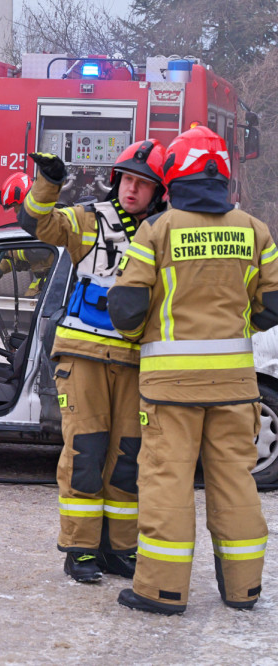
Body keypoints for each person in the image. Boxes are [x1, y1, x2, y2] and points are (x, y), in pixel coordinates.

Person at [108, 126, 278, 615]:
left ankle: (160, 590)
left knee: (167, 484)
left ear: (173, 177)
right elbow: (273, 304)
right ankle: (244, 588)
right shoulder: (253, 229)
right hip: (236, 387)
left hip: (169, 390)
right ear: (222, 174)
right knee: (235, 482)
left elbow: (126, 308)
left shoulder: (156, 231)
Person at [20, 140, 167, 583]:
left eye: (144, 184)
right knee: (86, 452)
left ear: (158, 193)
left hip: (135, 361)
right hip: (82, 355)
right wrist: (49, 183)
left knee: (127, 459)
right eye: (127, 180)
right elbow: (36, 223)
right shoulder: (87, 219)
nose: (132, 190)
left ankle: (119, 549)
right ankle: (81, 549)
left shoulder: (163, 231)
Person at [0, 172, 52, 297]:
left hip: (53, 284)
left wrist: (8, 251)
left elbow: (38, 250)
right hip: (43, 281)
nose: (16, 212)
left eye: (17, 207)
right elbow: (23, 259)